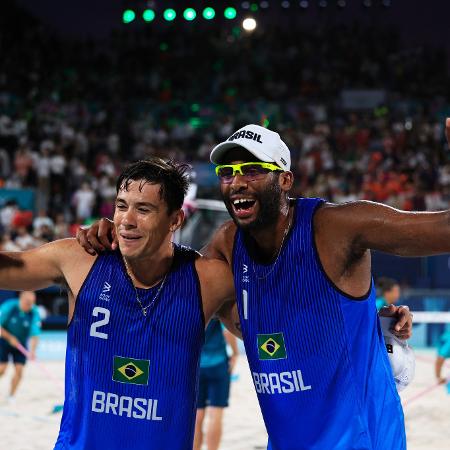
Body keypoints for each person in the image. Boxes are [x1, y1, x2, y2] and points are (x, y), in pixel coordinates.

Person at [78, 123, 417, 449]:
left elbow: (436, 231)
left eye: (252, 169)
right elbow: (165, 277)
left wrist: (370, 333)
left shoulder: (336, 228)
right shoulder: (227, 246)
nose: (237, 180)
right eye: (227, 172)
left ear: (285, 179)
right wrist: (124, 232)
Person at [0, 158, 235, 450]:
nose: (127, 220)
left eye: (143, 209)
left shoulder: (207, 279)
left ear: (175, 220)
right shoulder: (80, 259)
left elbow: (275, 325)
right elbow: (7, 269)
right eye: (122, 206)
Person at [194, 318, 238, 450]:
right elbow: (227, 332)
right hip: (218, 364)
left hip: (197, 366)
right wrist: (235, 352)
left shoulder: (193, 304)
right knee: (216, 413)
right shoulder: (216, 301)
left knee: (197, 415)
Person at [0, 290, 41, 402]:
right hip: (3, 340)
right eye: (28, 302)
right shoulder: (9, 307)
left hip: (21, 343)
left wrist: (32, 351)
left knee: (19, 371)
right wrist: (10, 338)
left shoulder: (34, 312)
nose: (30, 305)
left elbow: (35, 334)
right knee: (2, 369)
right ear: (21, 298)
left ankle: (11, 396)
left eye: (32, 302)